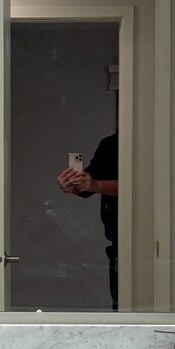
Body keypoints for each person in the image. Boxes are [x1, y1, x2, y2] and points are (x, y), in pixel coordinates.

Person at [57, 132, 119, 308]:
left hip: (147, 238)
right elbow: (89, 182)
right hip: (116, 241)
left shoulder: (152, 146)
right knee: (119, 304)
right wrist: (74, 183)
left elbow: (142, 186)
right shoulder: (110, 145)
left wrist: (96, 185)